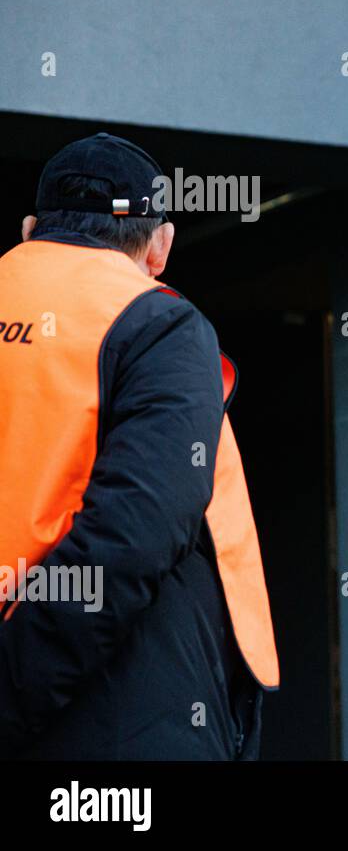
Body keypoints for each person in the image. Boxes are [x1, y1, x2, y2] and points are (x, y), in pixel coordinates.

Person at [0, 132, 278, 759]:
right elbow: (132, 536)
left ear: (28, 230)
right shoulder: (159, 324)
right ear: (161, 245)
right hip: (116, 714)